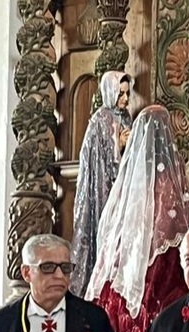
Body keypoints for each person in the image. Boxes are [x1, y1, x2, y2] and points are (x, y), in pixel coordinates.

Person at [86, 104, 189, 332]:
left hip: (123, 284)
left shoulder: (126, 185)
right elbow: (185, 229)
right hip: (165, 279)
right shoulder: (174, 179)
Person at [70, 70, 134, 297]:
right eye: (121, 94)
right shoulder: (100, 119)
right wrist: (119, 145)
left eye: (127, 94)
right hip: (102, 190)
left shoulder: (126, 118)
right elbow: (98, 159)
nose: (125, 99)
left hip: (121, 188)